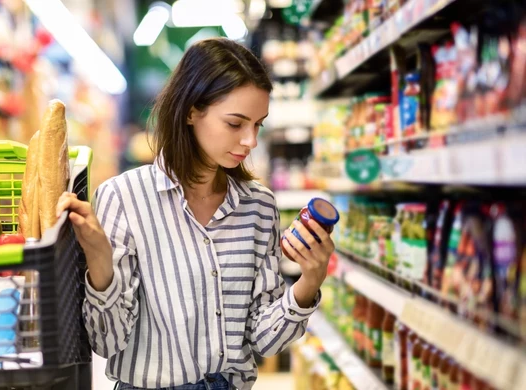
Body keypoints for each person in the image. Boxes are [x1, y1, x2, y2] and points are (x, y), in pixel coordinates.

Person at [56, 38, 335, 390]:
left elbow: (266, 341)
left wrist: (309, 282)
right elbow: (107, 342)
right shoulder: (123, 198)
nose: (250, 141)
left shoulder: (258, 206)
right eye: (235, 124)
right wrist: (100, 263)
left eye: (258, 125)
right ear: (191, 111)